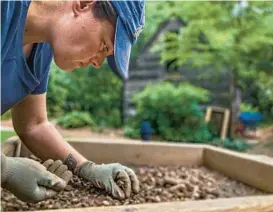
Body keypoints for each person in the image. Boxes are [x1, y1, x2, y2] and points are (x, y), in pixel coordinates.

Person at [1, 0, 145, 203]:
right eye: (104, 46)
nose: (97, 63)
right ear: (84, 4)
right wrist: (5, 169)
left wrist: (87, 169)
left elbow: (33, 125)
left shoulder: (41, 50)